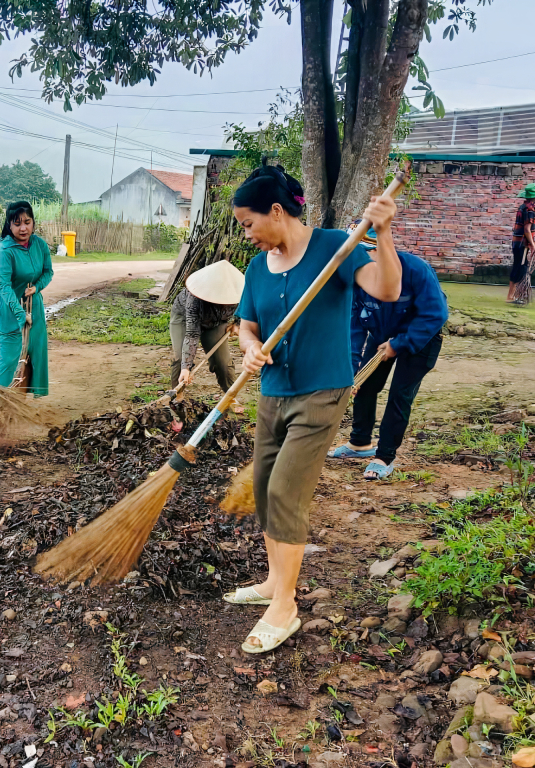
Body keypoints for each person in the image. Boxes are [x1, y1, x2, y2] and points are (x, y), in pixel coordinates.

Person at [227, 165, 401, 654]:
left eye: (248, 223)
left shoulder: (334, 248)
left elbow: (386, 289)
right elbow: (246, 324)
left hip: (322, 391)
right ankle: (270, 581)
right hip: (273, 391)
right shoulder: (259, 268)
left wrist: (383, 233)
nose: (247, 234)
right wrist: (250, 347)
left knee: (286, 490)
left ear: (276, 212)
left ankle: (285, 606)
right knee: (264, 488)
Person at [327, 224, 449, 480]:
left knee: (399, 395)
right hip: (381, 336)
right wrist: (350, 373)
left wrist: (399, 344)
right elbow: (354, 328)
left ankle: (384, 457)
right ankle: (360, 443)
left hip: (420, 339)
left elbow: (435, 314)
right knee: (365, 384)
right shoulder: (354, 279)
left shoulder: (415, 270)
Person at [0, 201, 53, 402]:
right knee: (8, 356)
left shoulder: (40, 245)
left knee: (35, 351)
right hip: (9, 309)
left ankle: (23, 396)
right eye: (17, 223)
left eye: (27, 222)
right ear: (9, 225)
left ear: (33, 222)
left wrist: (37, 287)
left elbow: (47, 271)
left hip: (34, 306)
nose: (23, 228)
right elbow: (4, 287)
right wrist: (19, 313)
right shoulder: (5, 251)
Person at [169, 260, 244, 393]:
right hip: (184, 319)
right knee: (181, 358)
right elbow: (192, 334)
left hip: (217, 322)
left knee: (223, 363)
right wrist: (186, 367)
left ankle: (230, 396)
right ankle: (177, 395)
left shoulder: (241, 291)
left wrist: (237, 323)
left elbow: (248, 308)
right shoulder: (194, 299)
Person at [508, 183, 535, 304]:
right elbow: (527, 230)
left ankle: (514, 295)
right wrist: (533, 246)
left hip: (517, 243)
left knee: (518, 267)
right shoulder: (530, 209)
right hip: (522, 244)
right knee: (520, 268)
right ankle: (511, 297)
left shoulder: (522, 207)